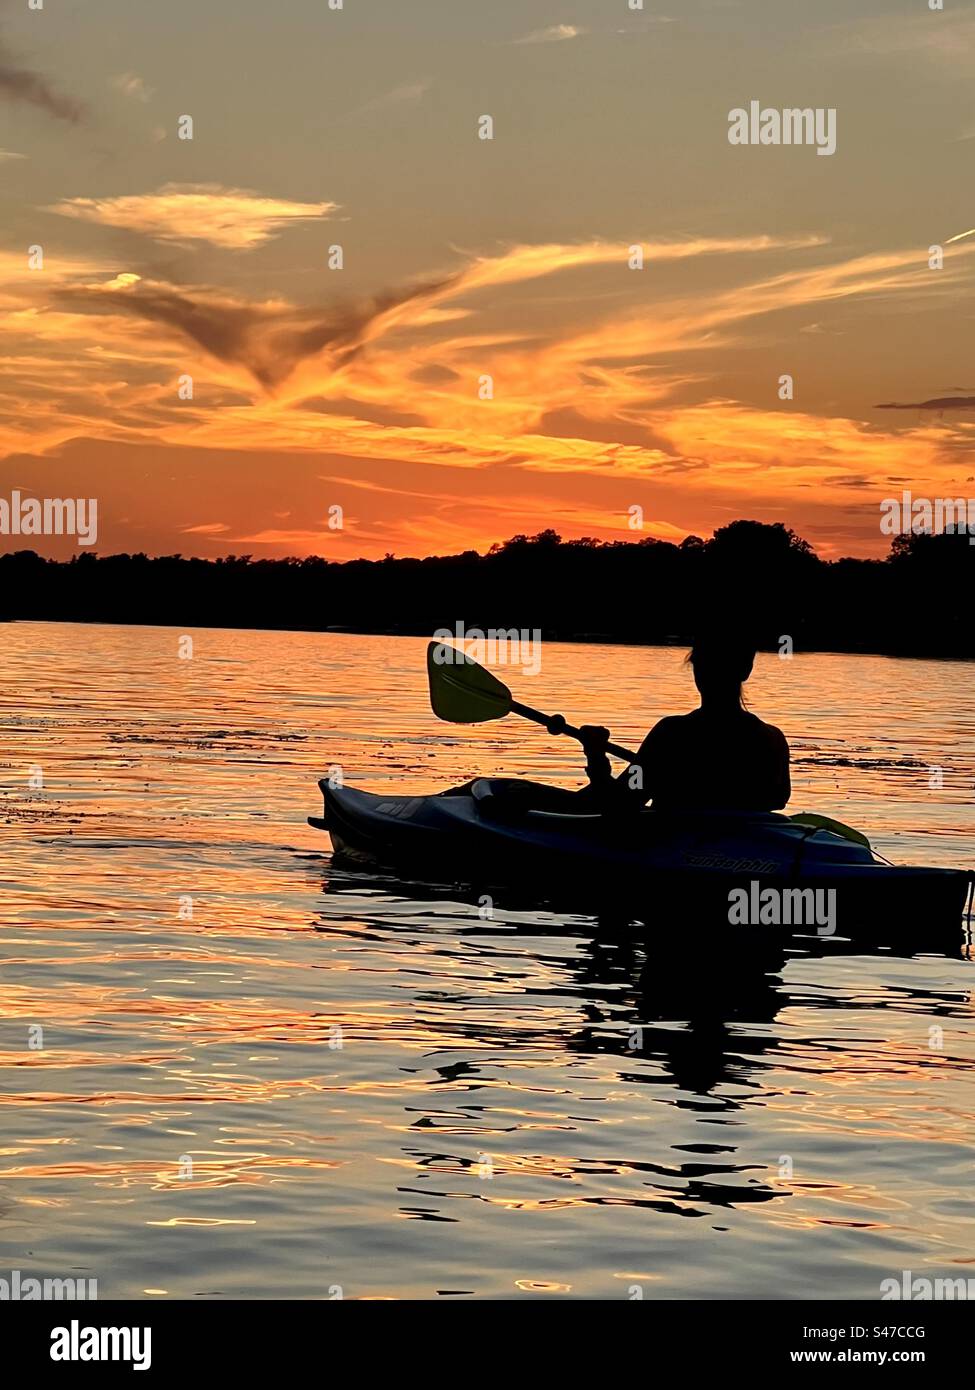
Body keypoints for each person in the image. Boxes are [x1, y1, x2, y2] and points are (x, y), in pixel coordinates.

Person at [580, 632, 790, 813]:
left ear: (696, 667)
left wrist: (596, 756)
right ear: (747, 669)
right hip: (747, 851)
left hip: (673, 850)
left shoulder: (672, 734)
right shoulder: (774, 739)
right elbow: (779, 800)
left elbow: (619, 804)